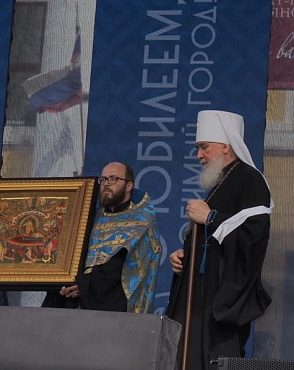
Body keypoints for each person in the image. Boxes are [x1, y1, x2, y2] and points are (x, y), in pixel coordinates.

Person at [167, 110, 272, 370]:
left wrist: (211, 217)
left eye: (204, 147)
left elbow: (254, 236)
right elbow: (211, 241)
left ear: (225, 146)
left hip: (219, 305)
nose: (199, 155)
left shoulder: (249, 179)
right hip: (199, 301)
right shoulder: (223, 182)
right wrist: (185, 257)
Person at [46, 161, 161, 313]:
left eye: (113, 179)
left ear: (129, 186)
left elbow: (119, 267)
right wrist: (61, 280)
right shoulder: (90, 218)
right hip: (73, 303)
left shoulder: (141, 222)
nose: (106, 184)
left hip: (111, 308)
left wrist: (83, 285)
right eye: (103, 179)